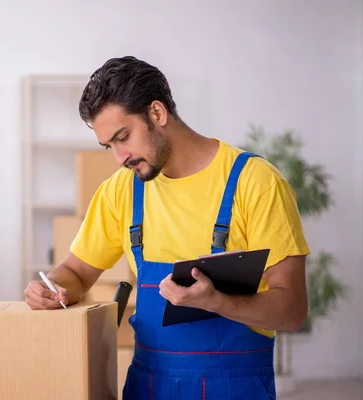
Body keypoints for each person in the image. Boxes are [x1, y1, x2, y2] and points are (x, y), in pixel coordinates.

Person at [24, 56, 310, 399]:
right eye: (109, 146)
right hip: (149, 386)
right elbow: (75, 271)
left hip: (234, 386)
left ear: (157, 113)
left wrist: (218, 301)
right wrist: (53, 287)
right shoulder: (122, 190)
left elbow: (293, 310)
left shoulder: (255, 184)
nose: (119, 157)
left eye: (123, 137)